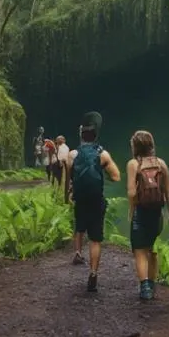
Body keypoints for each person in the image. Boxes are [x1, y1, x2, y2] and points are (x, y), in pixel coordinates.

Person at [67, 111, 120, 292]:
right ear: (95, 136)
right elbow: (116, 176)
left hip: (80, 199)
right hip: (97, 200)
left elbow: (69, 177)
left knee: (79, 226)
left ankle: (77, 252)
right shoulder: (102, 154)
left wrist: (67, 194)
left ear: (81, 136)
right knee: (96, 239)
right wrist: (102, 170)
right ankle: (93, 272)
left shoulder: (72, 154)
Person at [126, 130, 169, 301]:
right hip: (157, 214)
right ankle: (152, 284)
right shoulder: (161, 164)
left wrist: (131, 210)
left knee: (139, 251)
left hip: (141, 212)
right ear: (151, 145)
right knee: (151, 248)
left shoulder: (133, 164)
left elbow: (132, 192)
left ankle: (145, 287)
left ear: (135, 146)